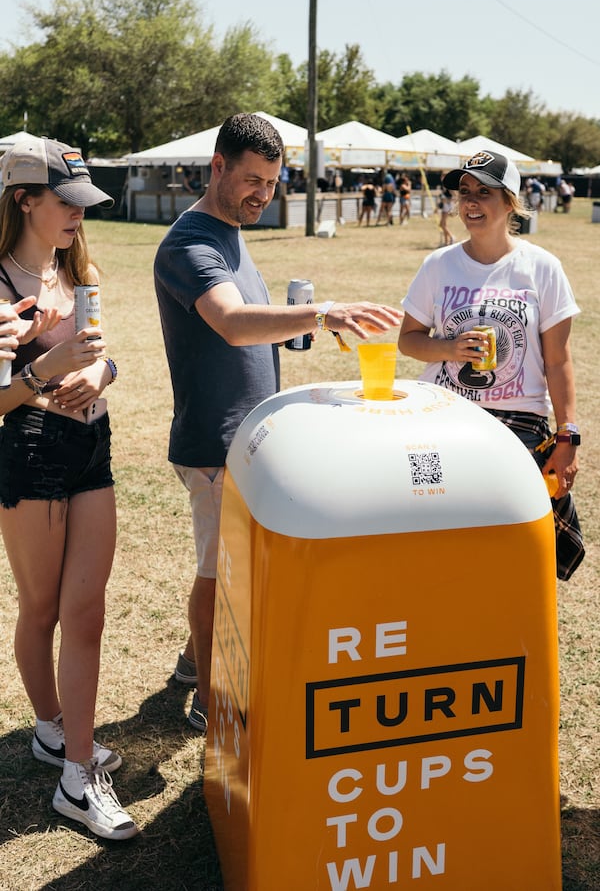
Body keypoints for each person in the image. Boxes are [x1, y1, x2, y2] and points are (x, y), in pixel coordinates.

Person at [154, 113, 403, 731]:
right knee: (218, 574)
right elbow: (233, 322)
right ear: (218, 169)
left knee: (228, 565)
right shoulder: (189, 245)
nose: (263, 194)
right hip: (213, 442)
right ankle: (211, 704)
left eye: (272, 181)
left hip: (245, 438)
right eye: (252, 181)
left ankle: (192, 661)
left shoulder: (230, 233)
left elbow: (251, 328)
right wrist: (323, 313)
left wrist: (300, 328)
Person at [0, 136, 138, 840]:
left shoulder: (76, 266)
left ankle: (77, 775)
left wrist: (102, 373)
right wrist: (44, 370)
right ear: (25, 199)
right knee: (43, 608)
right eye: (67, 201)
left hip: (92, 446)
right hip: (29, 457)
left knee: (87, 613)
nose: (80, 214)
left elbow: (102, 351)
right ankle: (52, 731)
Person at [398, 150, 584, 581]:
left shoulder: (542, 268)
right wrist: (449, 349)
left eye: (484, 192)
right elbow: (408, 342)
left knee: (510, 550)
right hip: (444, 419)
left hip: (519, 427)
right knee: (443, 544)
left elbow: (558, 362)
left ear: (510, 202)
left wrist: (568, 436)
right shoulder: (438, 266)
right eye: (465, 192)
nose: (471, 202)